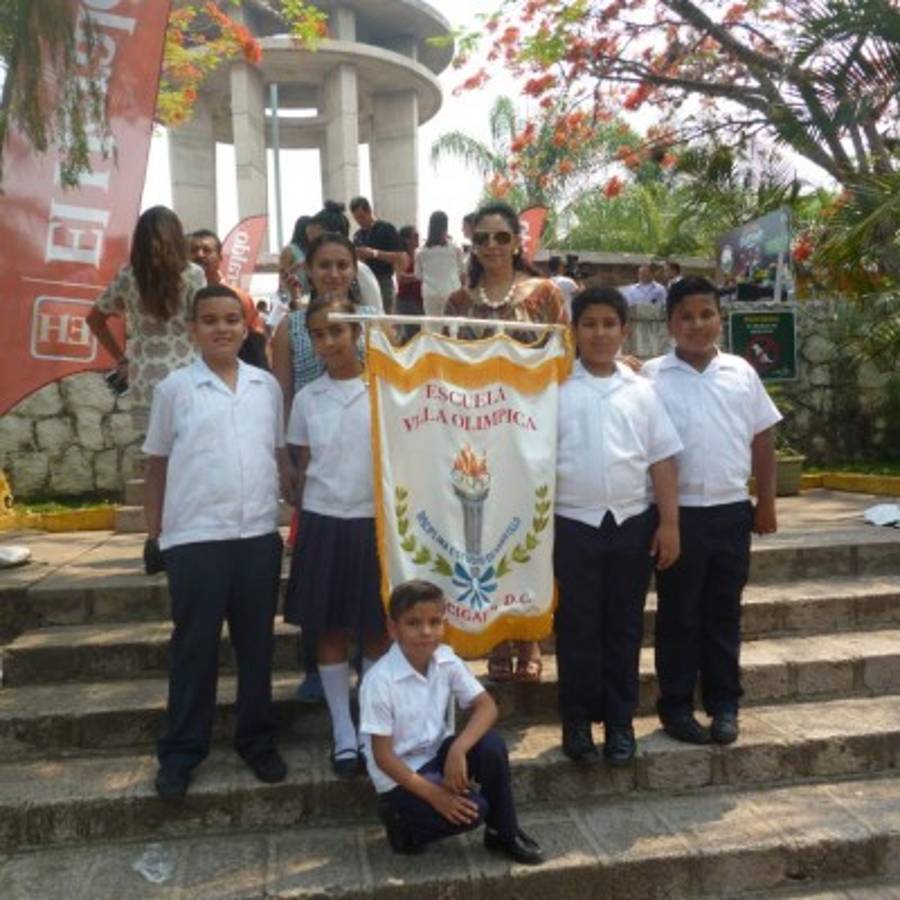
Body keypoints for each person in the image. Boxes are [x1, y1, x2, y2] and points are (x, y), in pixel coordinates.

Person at [143, 283, 289, 801]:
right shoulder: (175, 390)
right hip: (195, 540)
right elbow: (157, 464)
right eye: (210, 320)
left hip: (256, 536)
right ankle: (182, 751)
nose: (222, 328)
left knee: (257, 649)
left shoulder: (264, 387)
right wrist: (153, 533)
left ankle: (257, 740)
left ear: (246, 326)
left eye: (231, 319)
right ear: (192, 329)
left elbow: (276, 455)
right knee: (194, 650)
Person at [643, 276, 782, 746]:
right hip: (676, 517)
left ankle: (725, 705)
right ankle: (677, 707)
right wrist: (665, 522)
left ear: (720, 320)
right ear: (670, 323)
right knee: (678, 615)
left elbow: (763, 438)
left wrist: (766, 502)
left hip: (729, 513)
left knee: (724, 613)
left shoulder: (741, 372)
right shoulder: (650, 376)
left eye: (707, 315)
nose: (697, 325)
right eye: (686, 316)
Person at [554, 287, 682, 765]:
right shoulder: (556, 388)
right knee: (577, 626)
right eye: (590, 324)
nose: (600, 333)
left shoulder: (642, 391)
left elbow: (662, 459)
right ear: (575, 331)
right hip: (573, 525)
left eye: (610, 324)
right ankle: (577, 722)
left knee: (624, 626)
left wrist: (669, 523)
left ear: (624, 331)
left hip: (631, 523)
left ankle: (620, 721)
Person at [444, 201, 568, 683]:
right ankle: (495, 635)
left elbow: (564, 354)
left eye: (501, 237)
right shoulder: (458, 302)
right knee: (485, 531)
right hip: (476, 432)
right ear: (472, 245)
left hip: (531, 426)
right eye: (482, 239)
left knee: (526, 528)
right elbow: (446, 360)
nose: (492, 247)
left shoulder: (545, 294)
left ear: (518, 241)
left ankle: (528, 634)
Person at [360, 579, 544, 864]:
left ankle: (502, 832)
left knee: (491, 745)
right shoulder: (379, 681)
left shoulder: (445, 659)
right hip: (400, 775)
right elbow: (383, 757)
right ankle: (402, 825)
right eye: (413, 623)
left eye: (435, 622)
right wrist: (437, 796)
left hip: (437, 754)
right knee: (474, 811)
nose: (426, 632)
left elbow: (486, 707)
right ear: (393, 628)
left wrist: (458, 749)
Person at [283, 287, 390, 777]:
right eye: (318, 334)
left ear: (358, 331)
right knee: (327, 628)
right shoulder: (307, 398)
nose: (328, 342)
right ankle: (342, 731)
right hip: (325, 520)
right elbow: (304, 465)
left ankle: (370, 730)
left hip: (374, 522)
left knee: (373, 630)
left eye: (337, 331)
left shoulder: (386, 389)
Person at [272, 231, 372, 705]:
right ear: (308, 270)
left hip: (366, 468)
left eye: (342, 265)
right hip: (316, 457)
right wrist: (287, 462)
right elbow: (284, 395)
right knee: (323, 586)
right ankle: (320, 670)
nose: (333, 273)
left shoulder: (377, 322)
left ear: (355, 270)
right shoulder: (291, 328)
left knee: (369, 599)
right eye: (324, 265)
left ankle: (368, 678)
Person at [87, 206, 205, 430]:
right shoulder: (193, 274)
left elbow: (94, 320)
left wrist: (122, 359)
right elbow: (202, 324)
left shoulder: (128, 275)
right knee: (188, 451)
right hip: (187, 372)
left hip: (143, 377)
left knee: (154, 455)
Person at [188, 229, 268, 369]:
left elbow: (255, 343)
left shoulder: (239, 298)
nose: (200, 255)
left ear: (220, 257)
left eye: (206, 250)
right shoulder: (177, 297)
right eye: (194, 250)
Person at [350, 195, 407, 311]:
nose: (360, 222)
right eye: (356, 219)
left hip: (382, 280)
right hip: (363, 280)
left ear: (370, 211)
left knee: (382, 317)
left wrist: (374, 253)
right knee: (366, 317)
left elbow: (399, 257)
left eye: (362, 217)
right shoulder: (358, 235)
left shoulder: (386, 229)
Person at [416, 211, 465, 330]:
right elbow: (462, 272)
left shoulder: (420, 252)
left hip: (430, 294)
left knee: (433, 328)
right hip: (452, 291)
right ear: (445, 226)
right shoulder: (455, 249)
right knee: (453, 329)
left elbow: (418, 275)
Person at [396, 225, 424, 337]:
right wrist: (418, 276)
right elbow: (401, 278)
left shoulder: (418, 255)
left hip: (418, 300)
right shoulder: (403, 256)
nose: (418, 239)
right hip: (407, 301)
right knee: (411, 336)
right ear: (406, 240)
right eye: (415, 236)